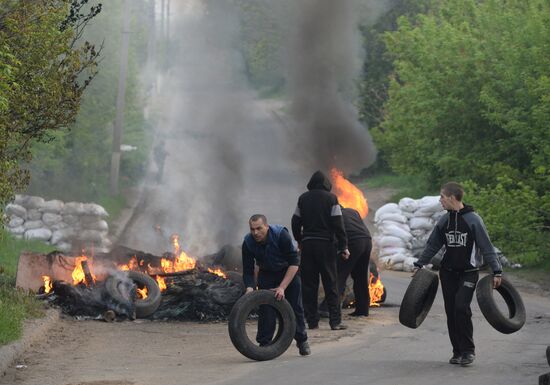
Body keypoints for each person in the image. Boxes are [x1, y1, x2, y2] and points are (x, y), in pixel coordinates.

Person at [413, 182, 502, 367]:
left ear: (452, 198)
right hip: (448, 273)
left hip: (468, 272)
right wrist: (420, 264)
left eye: (442, 197)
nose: (440, 200)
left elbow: (487, 247)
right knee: (451, 311)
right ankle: (457, 351)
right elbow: (432, 245)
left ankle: (468, 351)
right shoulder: (444, 220)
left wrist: (497, 270)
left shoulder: (473, 220)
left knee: (462, 308)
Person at [242, 214, 310, 356]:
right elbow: (248, 270)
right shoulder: (248, 242)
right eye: (252, 229)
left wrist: (282, 287)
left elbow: (294, 263)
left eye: (259, 228)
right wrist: (249, 287)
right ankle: (264, 345)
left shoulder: (281, 235)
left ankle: (302, 340)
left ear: (267, 226)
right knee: (266, 309)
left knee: (295, 308)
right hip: (266, 274)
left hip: (288, 272)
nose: (255, 233)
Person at [291, 170, 350, 330]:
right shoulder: (331, 199)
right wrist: (343, 246)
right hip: (326, 246)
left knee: (309, 285)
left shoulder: (303, 198)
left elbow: (295, 221)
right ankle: (335, 322)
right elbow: (338, 223)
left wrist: (299, 240)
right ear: (326, 184)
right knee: (331, 283)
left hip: (308, 245)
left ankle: (312, 322)